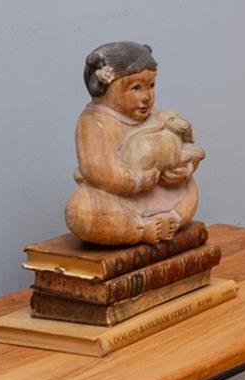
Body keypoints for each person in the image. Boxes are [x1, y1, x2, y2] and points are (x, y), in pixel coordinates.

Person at [64, 41, 206, 246]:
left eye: (151, 85)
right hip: (118, 200)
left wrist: (185, 169)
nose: (147, 96)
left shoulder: (161, 116)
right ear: (106, 89)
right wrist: (138, 181)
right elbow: (98, 170)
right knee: (81, 210)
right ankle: (140, 229)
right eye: (136, 88)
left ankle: (173, 218)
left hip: (162, 192)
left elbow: (186, 147)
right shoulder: (94, 121)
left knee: (189, 190)